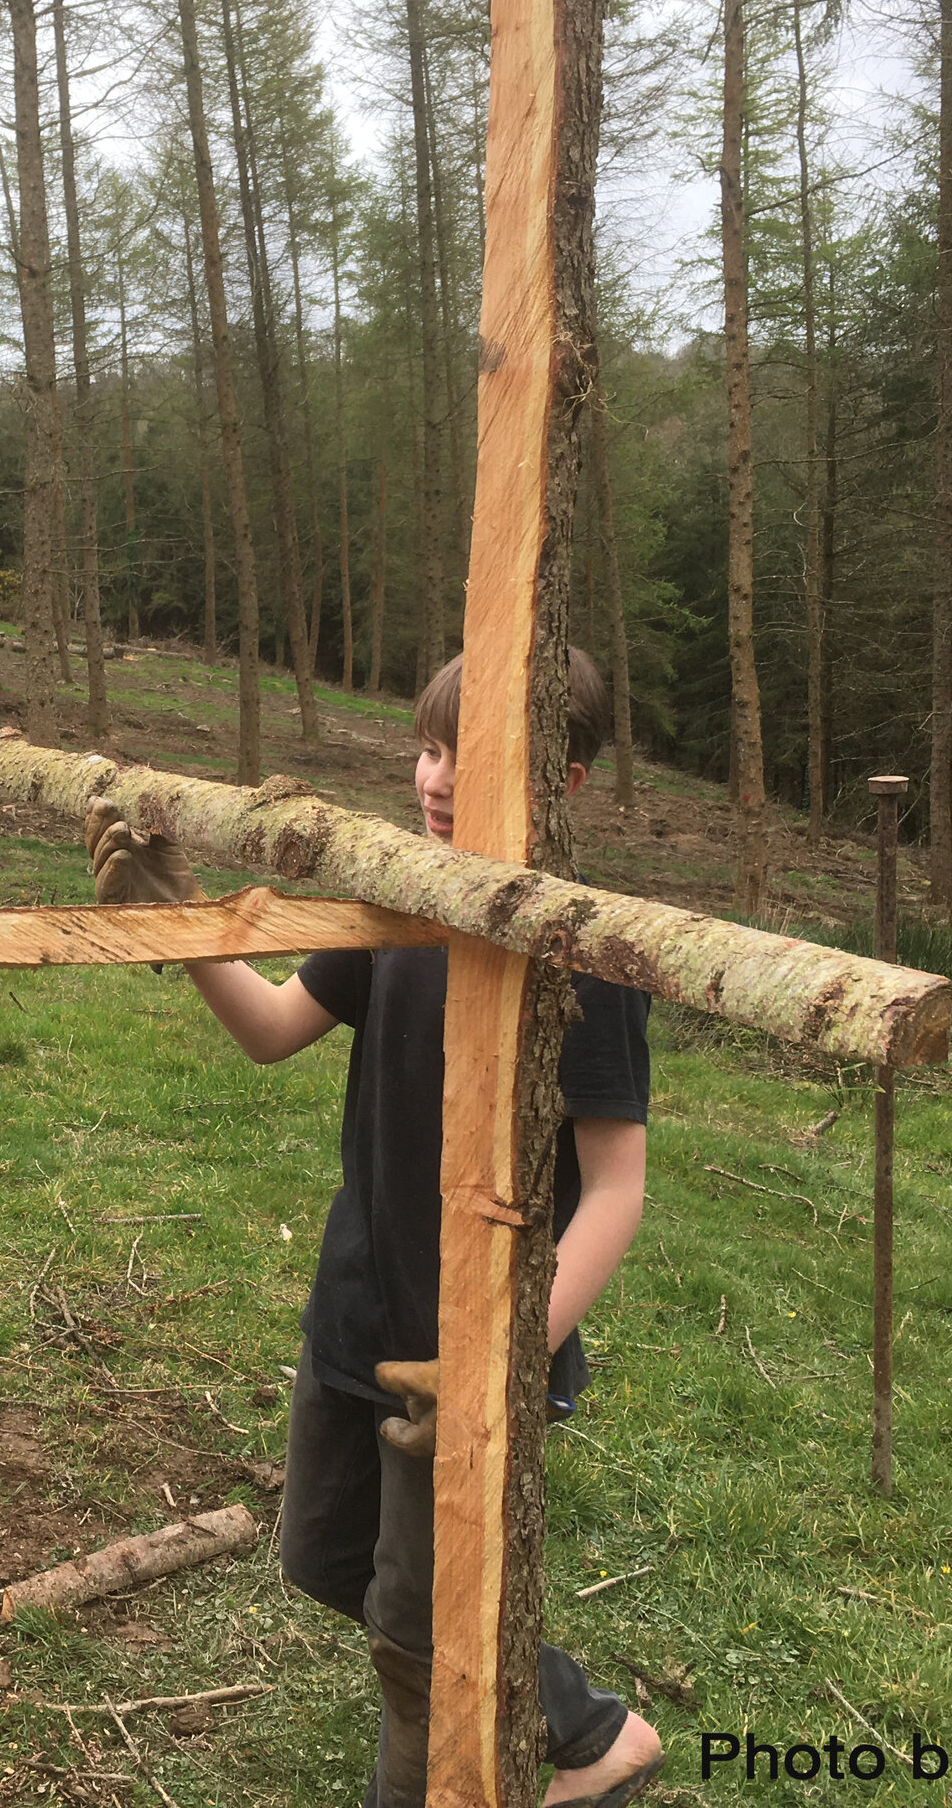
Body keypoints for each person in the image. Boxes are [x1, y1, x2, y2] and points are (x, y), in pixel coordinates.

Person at [85, 648, 666, 1808]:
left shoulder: (580, 953)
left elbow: (616, 1188)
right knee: (326, 1559)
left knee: (420, 1640)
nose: (436, 776)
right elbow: (270, 1030)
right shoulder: (397, 896)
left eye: (475, 756)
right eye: (434, 746)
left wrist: (500, 1359)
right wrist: (190, 923)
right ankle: (593, 1731)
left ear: (570, 781)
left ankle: (487, 1768)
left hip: (474, 1343)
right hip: (358, 1310)